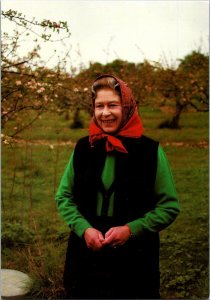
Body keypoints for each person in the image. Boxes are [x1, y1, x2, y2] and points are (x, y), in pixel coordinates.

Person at [55, 74, 180, 299]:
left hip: (136, 260)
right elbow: (64, 196)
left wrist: (131, 229)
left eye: (113, 105)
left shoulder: (150, 152)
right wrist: (84, 228)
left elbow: (169, 206)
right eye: (99, 106)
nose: (105, 113)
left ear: (128, 107)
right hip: (85, 255)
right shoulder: (83, 147)